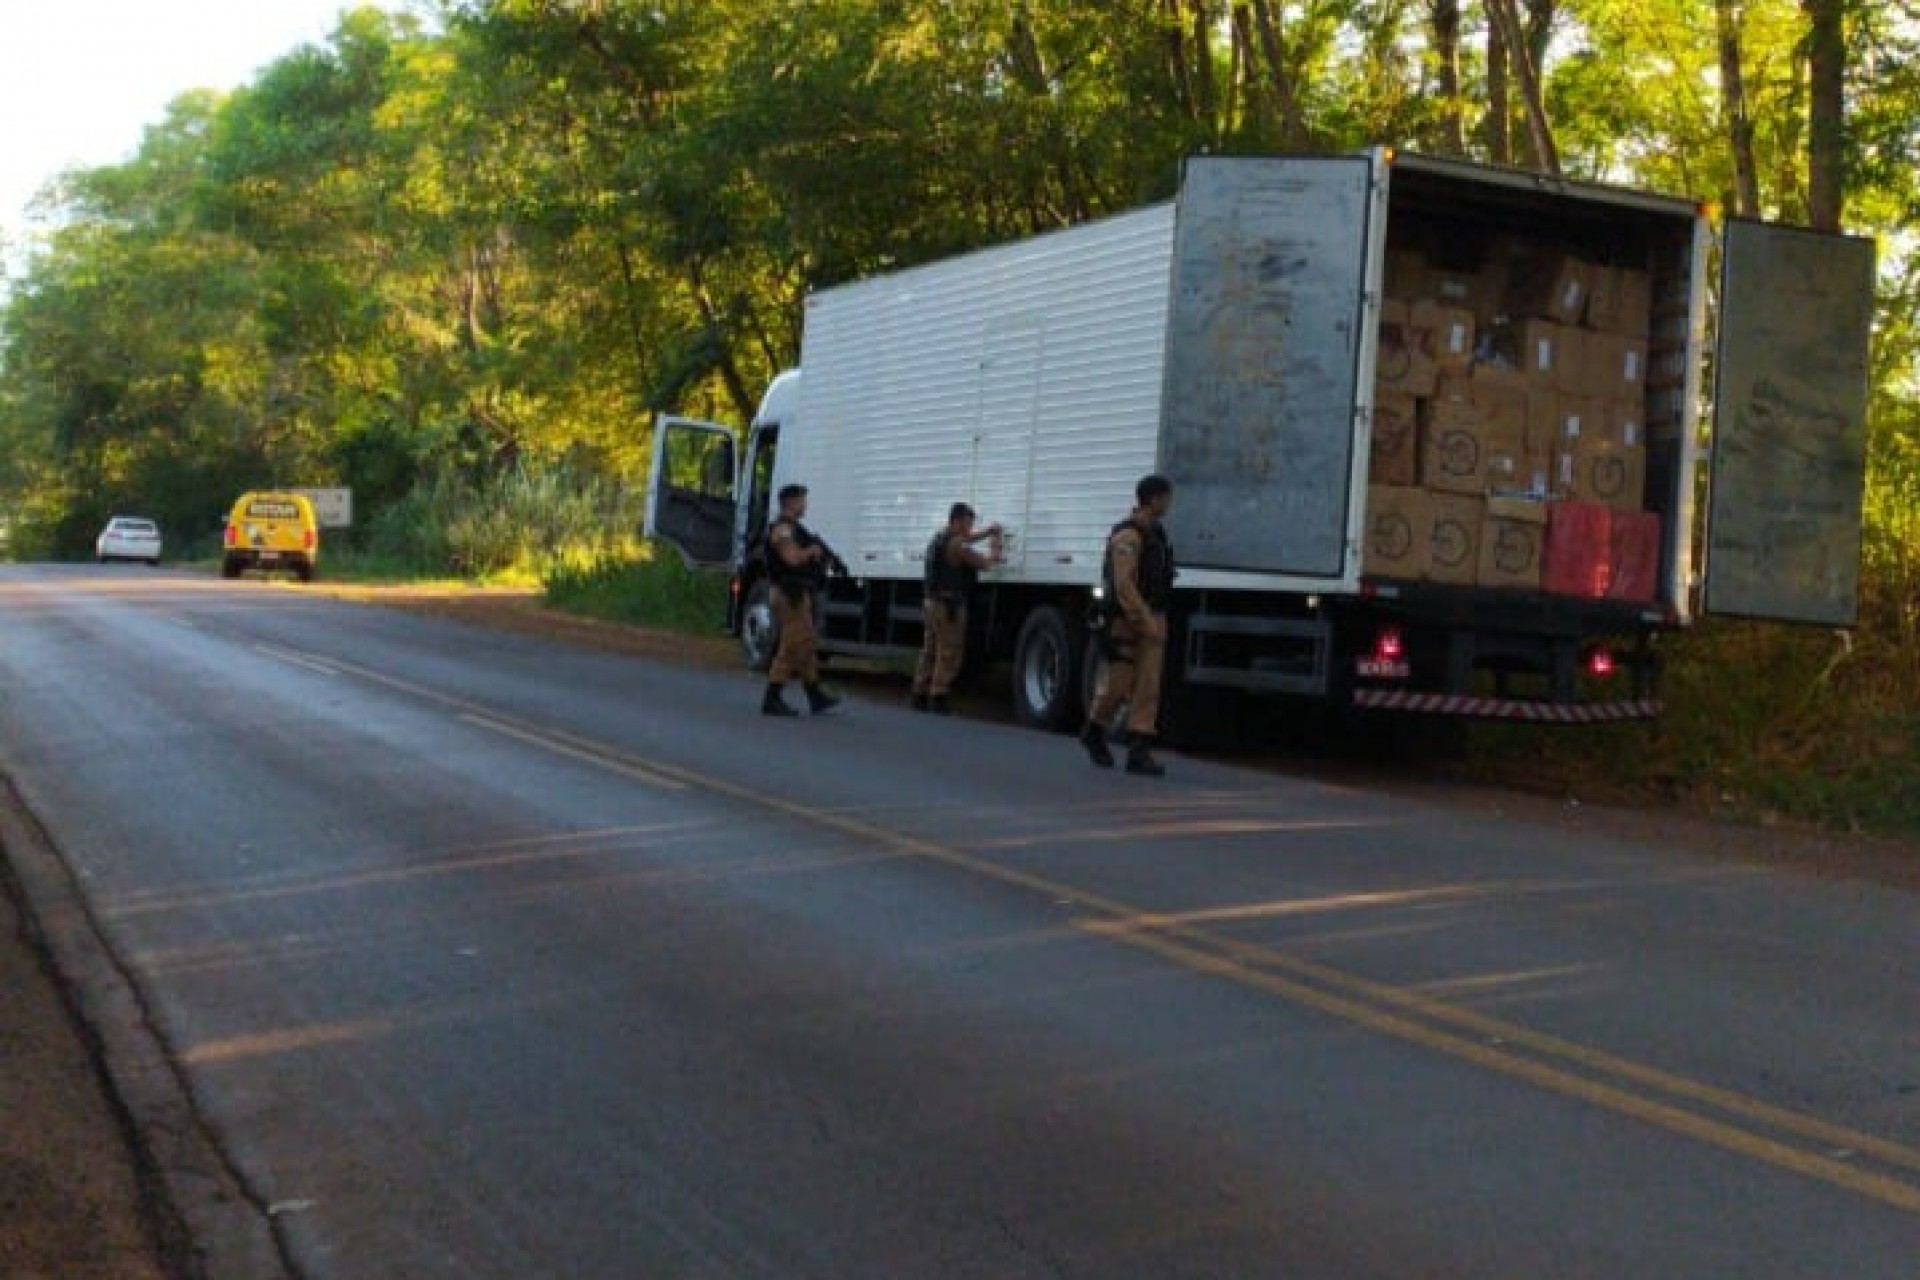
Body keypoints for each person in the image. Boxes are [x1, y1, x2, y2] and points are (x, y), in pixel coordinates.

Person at [1080, 474, 1177, 776]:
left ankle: (1139, 750)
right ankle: (1094, 729)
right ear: (1154, 499)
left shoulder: (1156, 534)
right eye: (1166, 497)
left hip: (1153, 616)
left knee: (1148, 686)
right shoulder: (1128, 537)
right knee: (1118, 684)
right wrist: (1146, 620)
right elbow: (1124, 586)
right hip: (1126, 621)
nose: (1169, 503)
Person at [911, 503, 1004, 714]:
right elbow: (986, 562)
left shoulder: (939, 539)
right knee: (949, 652)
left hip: (930, 602)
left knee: (930, 650)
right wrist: (996, 544)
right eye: (968, 523)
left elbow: (966, 539)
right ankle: (938, 695)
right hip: (948, 606)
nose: (970, 529)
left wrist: (986, 532)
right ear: (958, 521)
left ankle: (919, 692)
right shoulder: (957, 546)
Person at [762, 483, 845, 717]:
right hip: (788, 594)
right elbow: (790, 558)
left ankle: (814, 694)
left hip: (798, 594)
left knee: (805, 643)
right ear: (792, 502)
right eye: (803, 500)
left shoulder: (797, 529)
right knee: (792, 644)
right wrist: (811, 552)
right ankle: (772, 696)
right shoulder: (782, 529)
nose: (805, 505)